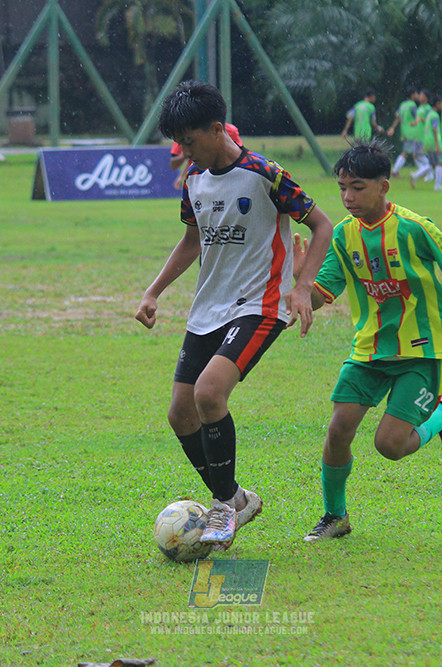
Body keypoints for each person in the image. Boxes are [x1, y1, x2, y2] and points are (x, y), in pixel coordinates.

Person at [135, 80, 334, 548]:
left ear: (216, 128)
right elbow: (192, 241)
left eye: (189, 141)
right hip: (209, 307)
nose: (184, 152)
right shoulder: (194, 179)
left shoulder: (265, 174)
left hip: (261, 304)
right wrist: (154, 290)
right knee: (180, 413)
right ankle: (237, 498)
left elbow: (322, 225)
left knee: (209, 394)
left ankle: (224, 506)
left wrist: (302, 287)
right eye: (179, 143)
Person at [292, 139, 442, 542]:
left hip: (420, 350)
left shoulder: (413, 228)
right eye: (342, 188)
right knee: (338, 429)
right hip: (370, 350)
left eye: (357, 187)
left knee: (390, 446)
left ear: (383, 186)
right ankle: (335, 516)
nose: (348, 197)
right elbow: (323, 295)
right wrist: (302, 280)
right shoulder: (342, 236)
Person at [170, 122, 241, 189]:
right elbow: (179, 164)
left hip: (227, 178)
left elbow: (239, 155)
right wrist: (181, 175)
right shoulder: (185, 132)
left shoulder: (230, 130)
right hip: (198, 180)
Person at [411, 95, 442, 191]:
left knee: (431, 164)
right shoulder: (435, 115)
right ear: (438, 104)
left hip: (427, 141)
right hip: (434, 141)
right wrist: (437, 145)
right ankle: (438, 186)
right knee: (440, 163)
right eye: (441, 103)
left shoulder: (429, 115)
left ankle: (416, 175)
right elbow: (434, 129)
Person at [388, 88, 419, 177]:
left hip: (404, 132)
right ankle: (424, 171)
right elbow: (417, 118)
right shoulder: (413, 105)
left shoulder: (402, 105)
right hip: (412, 132)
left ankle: (423, 171)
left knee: (409, 152)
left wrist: (392, 128)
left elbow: (398, 118)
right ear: (412, 95)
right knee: (413, 153)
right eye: (416, 93)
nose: (417, 95)